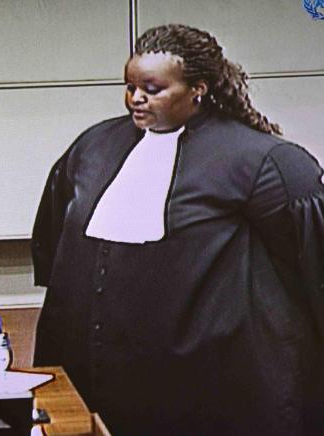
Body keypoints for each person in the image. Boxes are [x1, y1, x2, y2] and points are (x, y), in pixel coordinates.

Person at [32, 24, 324, 435]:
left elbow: (308, 266)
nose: (136, 98)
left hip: (208, 383)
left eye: (152, 89)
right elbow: (56, 241)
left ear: (198, 89)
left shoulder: (265, 161)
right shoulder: (94, 146)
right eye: (130, 86)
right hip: (100, 373)